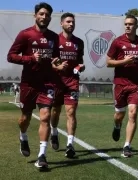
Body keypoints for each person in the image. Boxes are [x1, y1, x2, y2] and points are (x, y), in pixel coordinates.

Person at [7, 2, 67, 169]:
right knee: (24, 118)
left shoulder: (55, 37)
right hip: (28, 83)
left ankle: (42, 155)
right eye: (41, 14)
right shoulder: (25, 34)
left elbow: (55, 58)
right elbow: (10, 56)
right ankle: (23, 136)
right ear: (35, 16)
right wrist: (30, 59)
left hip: (47, 82)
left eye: (47, 15)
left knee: (46, 116)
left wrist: (57, 63)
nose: (44, 17)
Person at [106, 15, 138, 157]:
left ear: (136, 26)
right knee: (119, 115)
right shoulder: (117, 42)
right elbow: (108, 62)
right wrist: (124, 61)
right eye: (126, 24)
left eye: (131, 24)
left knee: (133, 113)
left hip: (135, 84)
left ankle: (127, 146)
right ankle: (117, 125)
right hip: (120, 84)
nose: (127, 26)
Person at [50, 12, 85, 158]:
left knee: (71, 112)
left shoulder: (79, 42)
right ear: (61, 23)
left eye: (73, 22)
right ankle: (54, 131)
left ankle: (70, 144)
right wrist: (57, 66)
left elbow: (80, 63)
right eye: (68, 22)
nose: (71, 24)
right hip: (56, 82)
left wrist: (79, 67)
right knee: (55, 111)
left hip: (72, 82)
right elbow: (49, 62)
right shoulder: (54, 40)